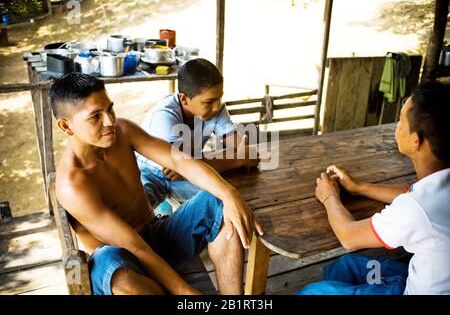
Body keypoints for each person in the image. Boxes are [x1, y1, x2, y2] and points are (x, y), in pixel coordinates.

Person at [50, 73, 263, 295]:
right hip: (123, 263)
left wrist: (230, 194)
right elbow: (134, 247)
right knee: (112, 267)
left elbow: (178, 161)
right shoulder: (72, 184)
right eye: (95, 117)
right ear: (66, 126)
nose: (109, 121)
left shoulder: (123, 131)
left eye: (110, 109)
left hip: (157, 239)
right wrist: (187, 294)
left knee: (218, 200)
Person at [295, 81, 450, 295]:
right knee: (345, 266)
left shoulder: (416, 210)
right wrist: (359, 187)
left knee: (312, 293)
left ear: (415, 141)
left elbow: (348, 237)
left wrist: (329, 196)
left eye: (400, 120)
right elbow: (412, 193)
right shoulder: (438, 187)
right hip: (421, 279)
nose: (396, 125)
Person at [136, 58, 259, 211]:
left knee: (225, 204)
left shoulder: (216, 109)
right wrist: (235, 158)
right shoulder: (164, 116)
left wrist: (192, 164)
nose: (216, 107)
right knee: (135, 211)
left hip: (187, 176)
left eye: (219, 98)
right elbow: (183, 168)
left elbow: (251, 156)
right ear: (184, 99)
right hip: (149, 172)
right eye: (209, 102)